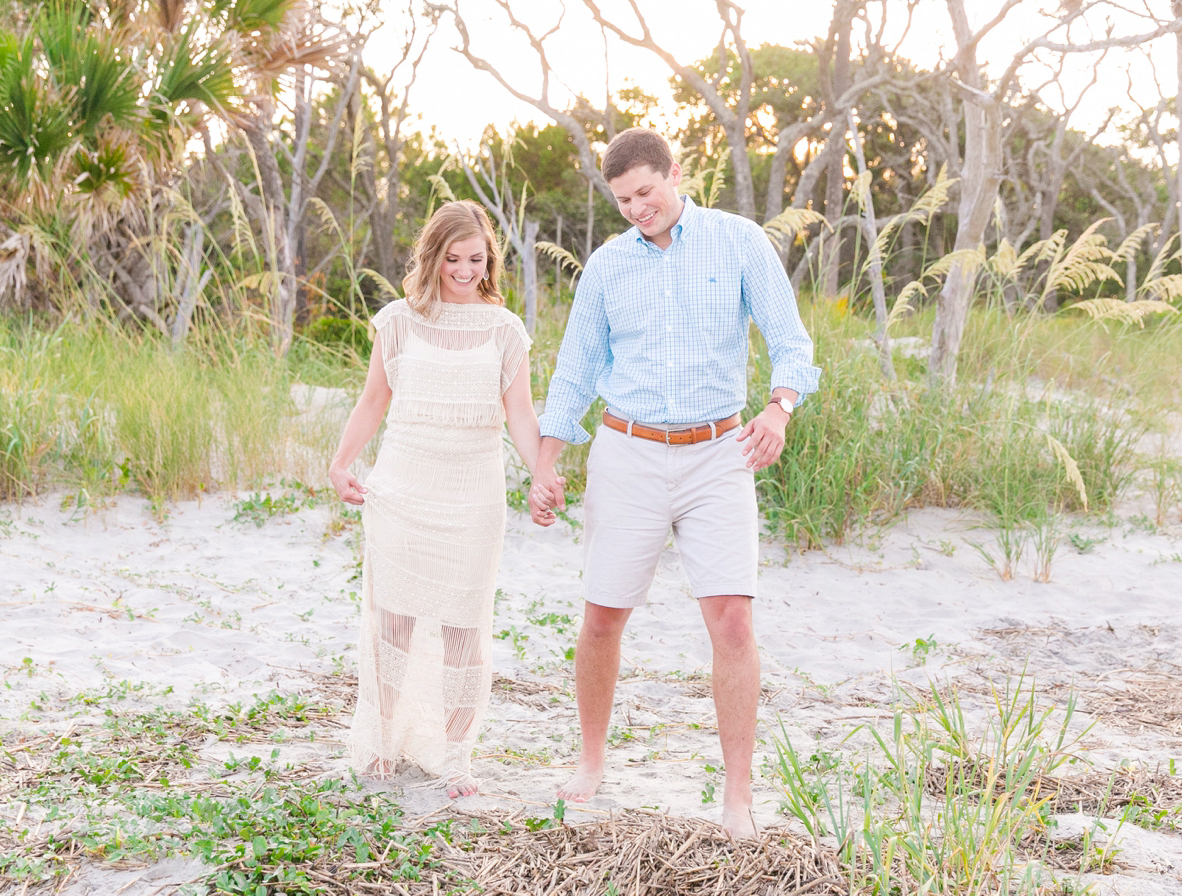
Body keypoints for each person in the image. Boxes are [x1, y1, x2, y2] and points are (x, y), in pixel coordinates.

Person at [529, 127, 820, 838]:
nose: (636, 208)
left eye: (646, 192)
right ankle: (591, 763)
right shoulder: (605, 267)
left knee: (732, 620)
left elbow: (791, 343)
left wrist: (779, 410)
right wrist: (545, 461)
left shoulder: (739, 240)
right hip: (626, 452)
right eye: (623, 199)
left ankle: (737, 799)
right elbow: (574, 371)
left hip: (718, 453)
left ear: (675, 173)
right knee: (603, 616)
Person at [329, 201, 551, 798]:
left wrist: (542, 473)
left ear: (489, 260)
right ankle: (381, 742)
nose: (463, 270)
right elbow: (373, 400)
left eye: (475, 259)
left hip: (473, 498)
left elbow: (521, 415)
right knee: (393, 622)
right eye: (452, 258)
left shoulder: (505, 330)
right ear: (432, 256)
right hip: (402, 489)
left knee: (463, 627)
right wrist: (342, 461)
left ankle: (457, 757)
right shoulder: (398, 320)